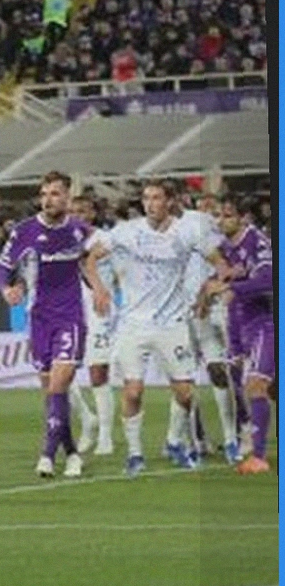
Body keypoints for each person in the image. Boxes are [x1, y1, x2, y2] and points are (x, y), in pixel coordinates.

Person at [83, 180, 224, 477]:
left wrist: (215, 285)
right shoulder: (126, 231)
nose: (150, 203)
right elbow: (91, 258)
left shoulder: (187, 232)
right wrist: (99, 289)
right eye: (146, 198)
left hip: (172, 324)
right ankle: (135, 454)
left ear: (169, 201)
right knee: (133, 391)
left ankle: (174, 442)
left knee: (185, 393)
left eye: (156, 198)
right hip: (133, 325)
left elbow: (218, 262)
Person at [0, 171, 97, 478]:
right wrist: (7, 289)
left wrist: (100, 284)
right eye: (44, 194)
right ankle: (73, 454)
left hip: (71, 318)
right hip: (39, 320)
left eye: (54, 193)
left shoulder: (80, 231)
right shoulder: (24, 231)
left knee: (58, 385)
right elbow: (1, 269)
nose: (47, 200)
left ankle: (47, 456)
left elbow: (102, 254)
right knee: (52, 395)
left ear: (67, 197)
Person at [201, 196, 274, 474]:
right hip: (240, 323)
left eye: (228, 215)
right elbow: (219, 276)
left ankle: (258, 456)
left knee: (256, 385)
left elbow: (269, 280)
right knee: (257, 386)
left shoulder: (257, 242)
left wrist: (230, 287)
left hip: (266, 323)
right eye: (218, 215)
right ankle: (249, 438)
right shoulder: (225, 247)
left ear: (243, 218)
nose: (221, 221)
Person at [180, 200, 240, 464]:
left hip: (210, 311)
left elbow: (225, 270)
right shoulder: (173, 237)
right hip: (179, 315)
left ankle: (231, 438)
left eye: (214, 211)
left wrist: (205, 295)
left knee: (218, 371)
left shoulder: (219, 241)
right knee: (183, 378)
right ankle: (196, 439)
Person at [70, 195, 118, 455]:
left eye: (83, 211)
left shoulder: (104, 239)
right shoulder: (63, 238)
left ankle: (105, 437)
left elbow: (87, 264)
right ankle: (87, 419)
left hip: (100, 310)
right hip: (70, 310)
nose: (78, 215)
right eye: (73, 211)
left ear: (92, 214)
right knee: (58, 372)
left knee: (98, 372)